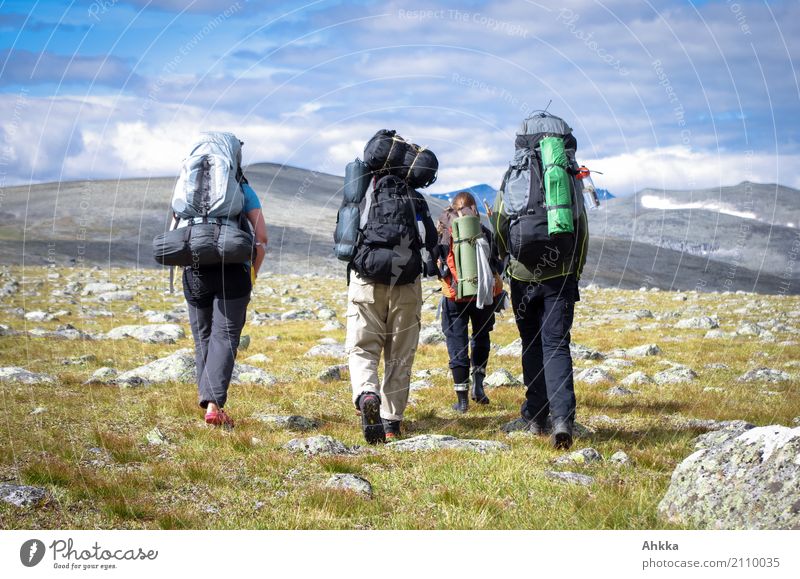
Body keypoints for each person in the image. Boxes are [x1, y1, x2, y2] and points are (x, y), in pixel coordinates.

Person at [490, 150, 588, 449]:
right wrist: (574, 272)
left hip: (523, 277)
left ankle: (534, 417)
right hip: (560, 276)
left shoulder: (516, 176)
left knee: (531, 344)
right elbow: (581, 230)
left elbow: (499, 224)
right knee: (556, 345)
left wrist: (510, 260)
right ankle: (562, 420)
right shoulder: (567, 179)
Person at [346, 172, 438, 443]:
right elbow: (430, 238)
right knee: (399, 354)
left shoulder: (362, 194)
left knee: (363, 347)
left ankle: (367, 394)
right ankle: (391, 422)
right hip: (406, 283)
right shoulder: (415, 197)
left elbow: (344, 237)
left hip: (366, 280)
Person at [183, 179, 267, 429]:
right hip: (233, 269)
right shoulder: (242, 188)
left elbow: (176, 231)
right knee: (226, 336)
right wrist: (252, 273)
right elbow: (261, 237)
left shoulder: (189, 187)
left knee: (203, 338)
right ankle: (213, 407)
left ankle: (209, 404)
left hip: (195, 270)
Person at [434, 192, 504, 413]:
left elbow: (434, 265)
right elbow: (498, 265)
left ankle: (462, 400)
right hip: (484, 295)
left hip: (454, 296)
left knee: (457, 342)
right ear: (474, 209)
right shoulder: (484, 232)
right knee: (481, 336)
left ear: (452, 209)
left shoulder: (445, 232)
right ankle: (479, 387)